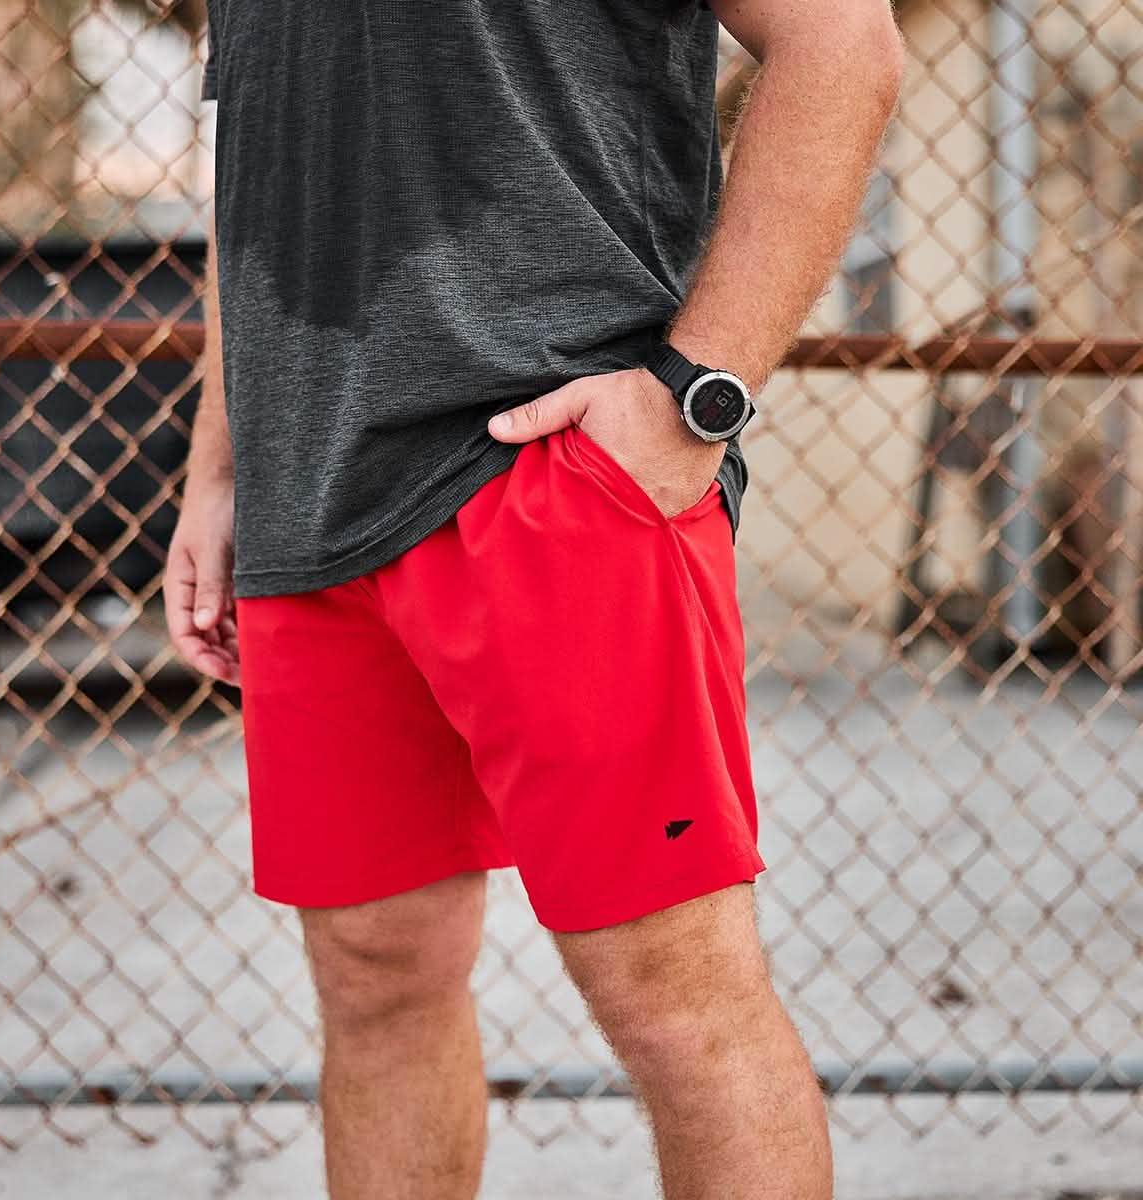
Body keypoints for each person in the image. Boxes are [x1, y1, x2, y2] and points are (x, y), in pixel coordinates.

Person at [165, 0, 902, 1195]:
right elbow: (267, 157)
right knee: (373, 976)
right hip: (308, 492)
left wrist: (695, 394)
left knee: (674, 1000)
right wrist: (222, 467)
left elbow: (843, 44)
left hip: (543, 464)